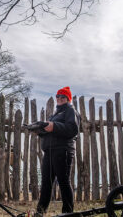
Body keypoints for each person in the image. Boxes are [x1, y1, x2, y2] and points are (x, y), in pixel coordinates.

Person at [35, 86, 80, 216]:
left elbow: (72, 129)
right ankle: (40, 212)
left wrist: (54, 126)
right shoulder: (55, 114)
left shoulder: (71, 111)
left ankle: (67, 213)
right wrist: (39, 131)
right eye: (58, 96)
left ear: (68, 99)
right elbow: (51, 131)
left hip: (63, 151)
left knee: (63, 182)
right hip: (49, 152)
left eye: (63, 97)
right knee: (46, 183)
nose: (59, 98)